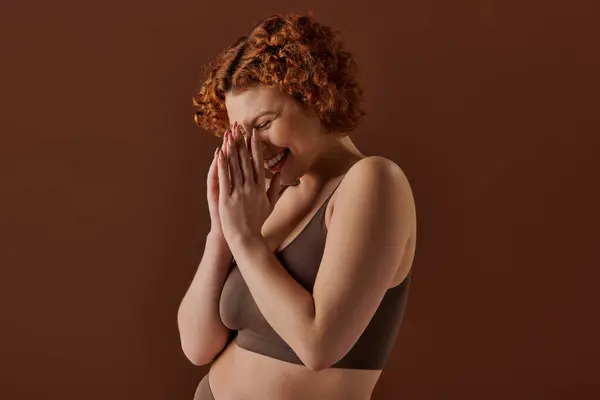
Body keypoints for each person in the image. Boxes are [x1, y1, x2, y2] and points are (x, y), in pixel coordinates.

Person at [178, 12, 417, 400]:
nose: (256, 147)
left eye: (265, 123)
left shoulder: (373, 182)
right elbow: (196, 345)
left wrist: (246, 240)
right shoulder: (274, 198)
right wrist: (221, 233)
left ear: (314, 97)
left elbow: (318, 346)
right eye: (242, 133)